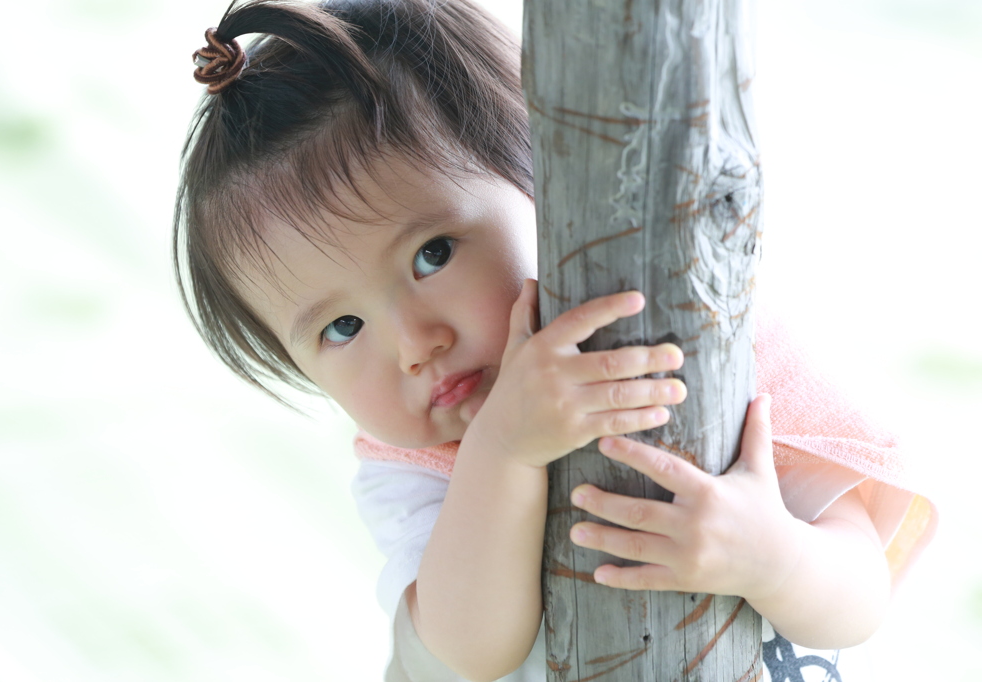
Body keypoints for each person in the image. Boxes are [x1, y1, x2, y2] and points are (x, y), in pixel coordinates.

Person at [173, 1, 937, 680]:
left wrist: (767, 555)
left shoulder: (702, 357)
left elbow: (858, 599)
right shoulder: (418, 472)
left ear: (545, 178)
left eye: (432, 254)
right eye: (343, 328)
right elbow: (475, 649)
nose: (416, 343)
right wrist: (502, 449)